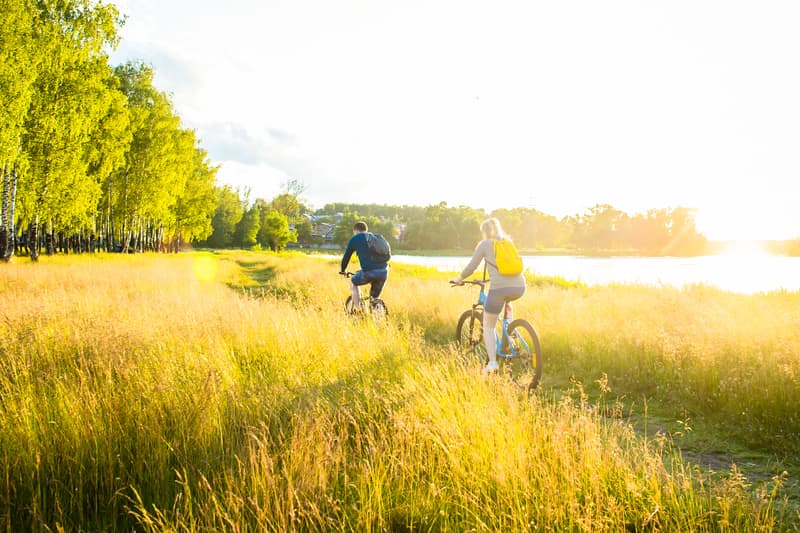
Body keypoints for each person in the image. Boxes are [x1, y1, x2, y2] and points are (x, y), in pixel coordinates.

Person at [451, 217, 526, 374]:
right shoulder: (508, 242)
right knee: (507, 301)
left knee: (489, 325)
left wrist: (459, 278)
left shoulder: (484, 245)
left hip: (499, 288)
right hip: (520, 286)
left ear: (484, 232)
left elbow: (472, 266)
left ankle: (492, 363)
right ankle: (510, 332)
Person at [340, 221, 389, 310]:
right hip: (384, 272)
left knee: (353, 283)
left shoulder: (355, 238)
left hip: (369, 272)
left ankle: (360, 310)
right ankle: (377, 314)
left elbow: (346, 256)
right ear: (366, 230)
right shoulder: (375, 237)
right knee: (374, 298)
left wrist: (343, 270)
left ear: (355, 231)